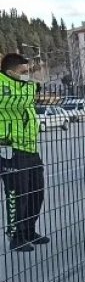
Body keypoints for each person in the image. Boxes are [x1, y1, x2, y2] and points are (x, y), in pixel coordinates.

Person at [0, 53, 48, 252]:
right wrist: (34, 85)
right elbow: (13, 103)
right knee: (17, 194)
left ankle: (28, 230)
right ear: (10, 71)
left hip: (30, 147)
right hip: (10, 147)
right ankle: (16, 236)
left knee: (37, 191)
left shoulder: (22, 87)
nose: (28, 75)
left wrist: (31, 85)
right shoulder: (3, 85)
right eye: (24, 72)